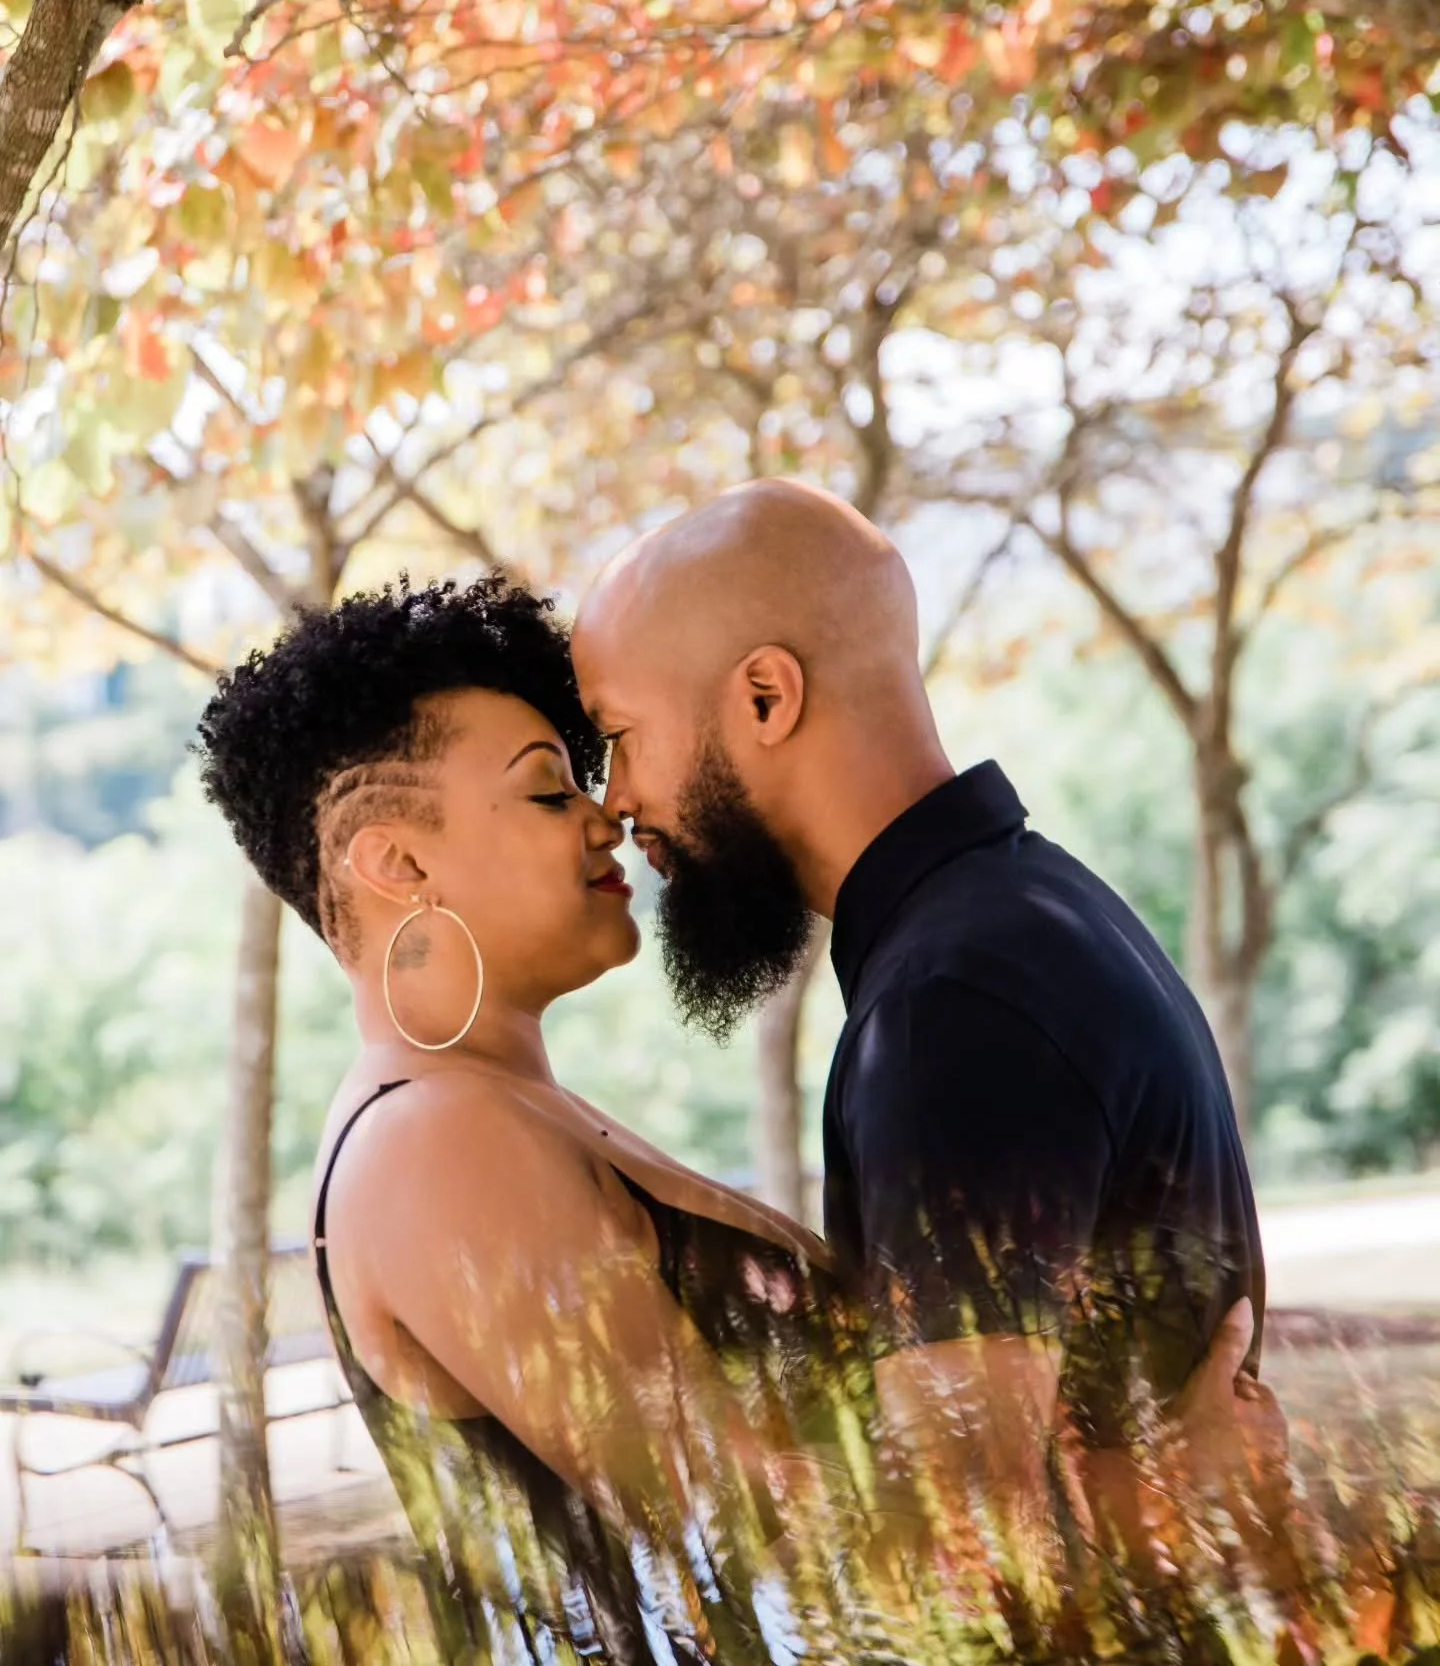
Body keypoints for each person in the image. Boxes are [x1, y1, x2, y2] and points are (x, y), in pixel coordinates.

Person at [196, 570, 1263, 1660]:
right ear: (398, 860)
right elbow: (774, 1555)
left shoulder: (502, 1113)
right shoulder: (432, 1146)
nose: (608, 816)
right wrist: (1165, 1494)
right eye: (550, 791)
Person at [569, 478, 1271, 1554]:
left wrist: (1184, 1498)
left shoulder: (951, 1008)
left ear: (765, 697)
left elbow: (967, 1551)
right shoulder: (1030, 913)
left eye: (621, 734)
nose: (615, 798)